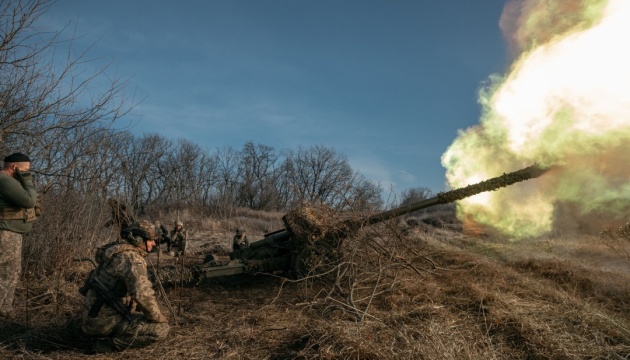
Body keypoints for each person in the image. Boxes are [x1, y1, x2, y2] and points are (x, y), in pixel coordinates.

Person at [80, 219, 169, 353]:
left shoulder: (115, 252)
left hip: (91, 317)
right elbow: (143, 295)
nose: (154, 243)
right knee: (161, 330)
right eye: (151, 240)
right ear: (139, 239)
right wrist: (159, 318)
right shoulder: (132, 259)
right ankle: (105, 345)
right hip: (103, 323)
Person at [0, 152, 38, 317]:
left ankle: (4, 310)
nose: (26, 174)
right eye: (25, 170)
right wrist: (28, 181)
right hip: (5, 234)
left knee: (11, 272)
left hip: (10, 233)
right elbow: (29, 201)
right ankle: (3, 310)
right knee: (5, 273)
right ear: (15, 167)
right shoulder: (4, 180)